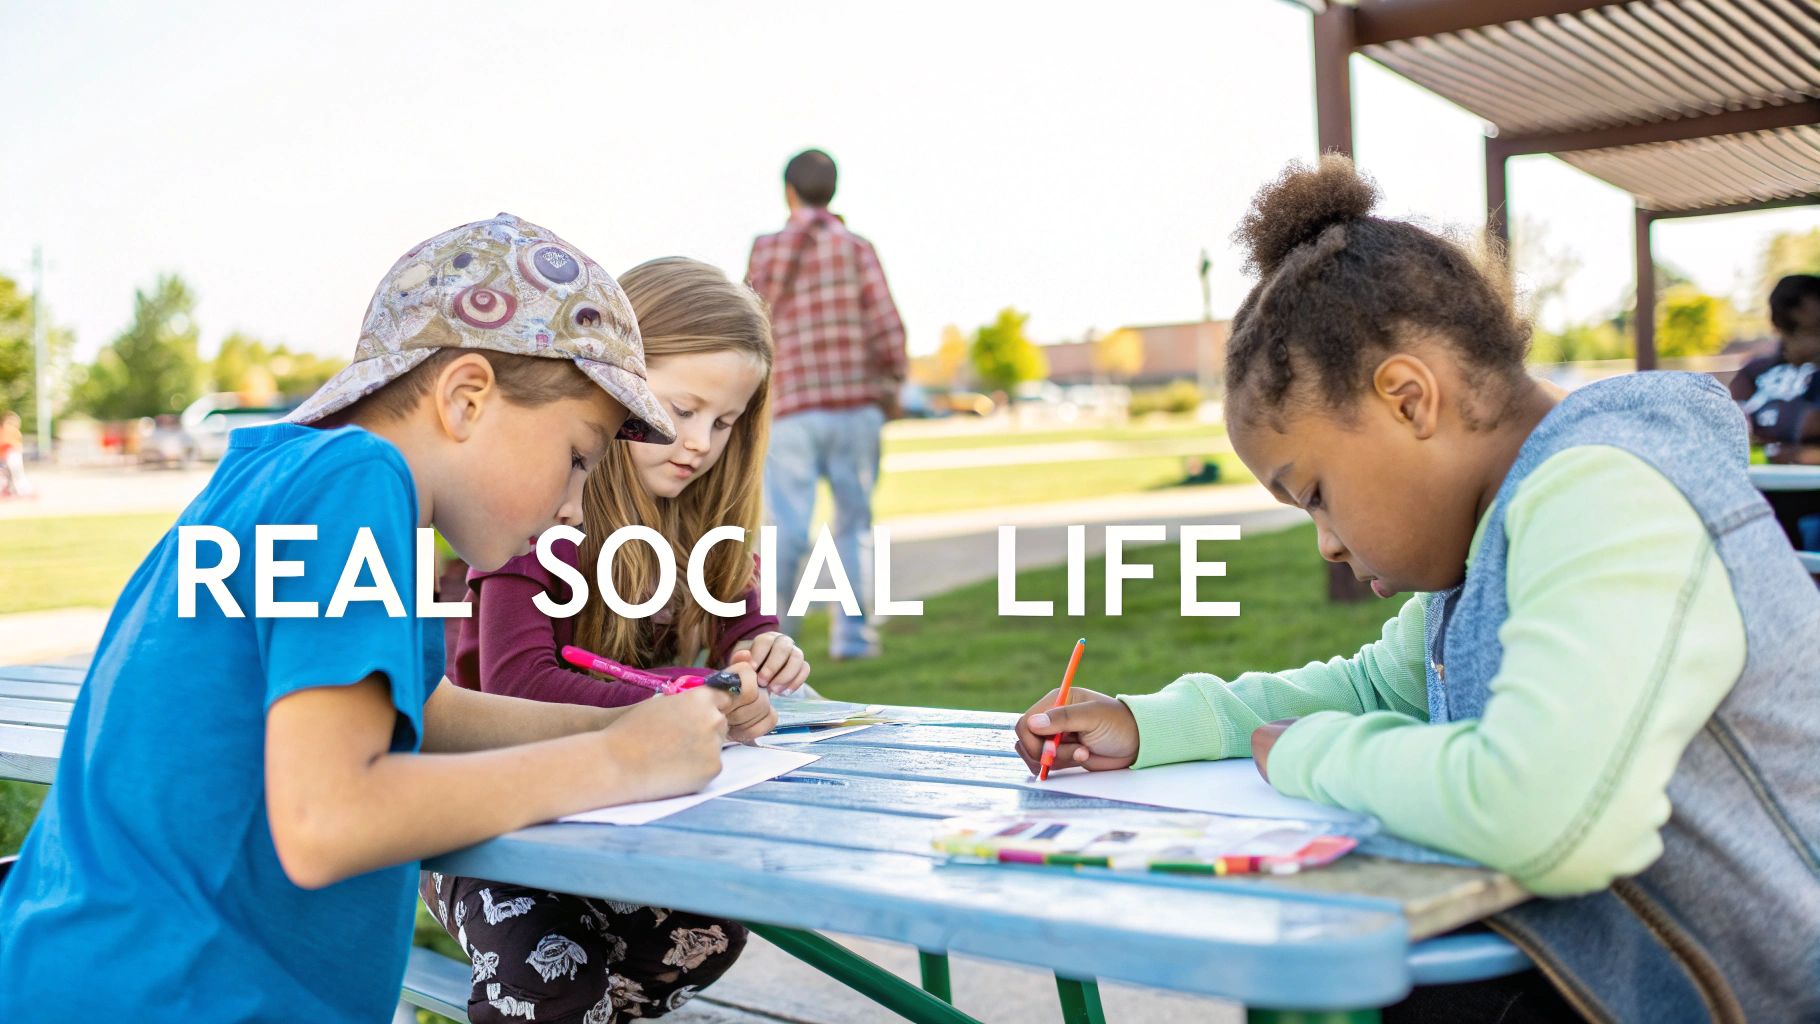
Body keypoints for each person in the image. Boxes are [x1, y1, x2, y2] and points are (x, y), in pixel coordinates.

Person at [1014, 157, 1820, 1022]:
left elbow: (1538, 814)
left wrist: (1308, 754)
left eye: (1315, 492)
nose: (1326, 543)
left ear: (1408, 400)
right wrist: (1155, 723)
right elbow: (1370, 687)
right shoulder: (1488, 544)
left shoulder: (1609, 492)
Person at [0, 214, 775, 1023]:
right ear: (467, 397)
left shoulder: (285, 477)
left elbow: (429, 712)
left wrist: (641, 725)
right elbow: (326, 819)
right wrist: (619, 763)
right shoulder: (356, 480)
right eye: (579, 457)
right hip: (181, 996)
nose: (577, 502)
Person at [430, 257, 803, 1022]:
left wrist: (759, 651)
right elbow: (514, 682)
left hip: (607, 802)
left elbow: (744, 627)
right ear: (613, 394)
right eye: (680, 409)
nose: (699, 442)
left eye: (725, 422)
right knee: (553, 977)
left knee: (703, 934)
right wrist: (680, 698)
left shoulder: (702, 522)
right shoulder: (537, 512)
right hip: (482, 804)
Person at [747, 148, 907, 659]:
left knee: (786, 527)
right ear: (832, 191)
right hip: (855, 406)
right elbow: (886, 325)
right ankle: (855, 640)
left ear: (788, 192)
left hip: (792, 408)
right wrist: (893, 382)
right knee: (854, 526)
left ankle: (773, 638)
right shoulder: (856, 248)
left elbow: (750, 323)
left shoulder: (766, 250)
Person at [1733, 273, 1820, 548]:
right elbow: (1729, 423)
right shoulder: (1755, 372)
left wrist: (1802, 455)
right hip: (1756, 494)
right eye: (1791, 330)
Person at [0, 410, 26, 497]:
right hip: (7, 456)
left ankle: (21, 491)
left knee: (16, 474)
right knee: (8, 475)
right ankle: (12, 490)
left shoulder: (12, 432)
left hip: (12, 455)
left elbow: (12, 444)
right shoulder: (5, 431)